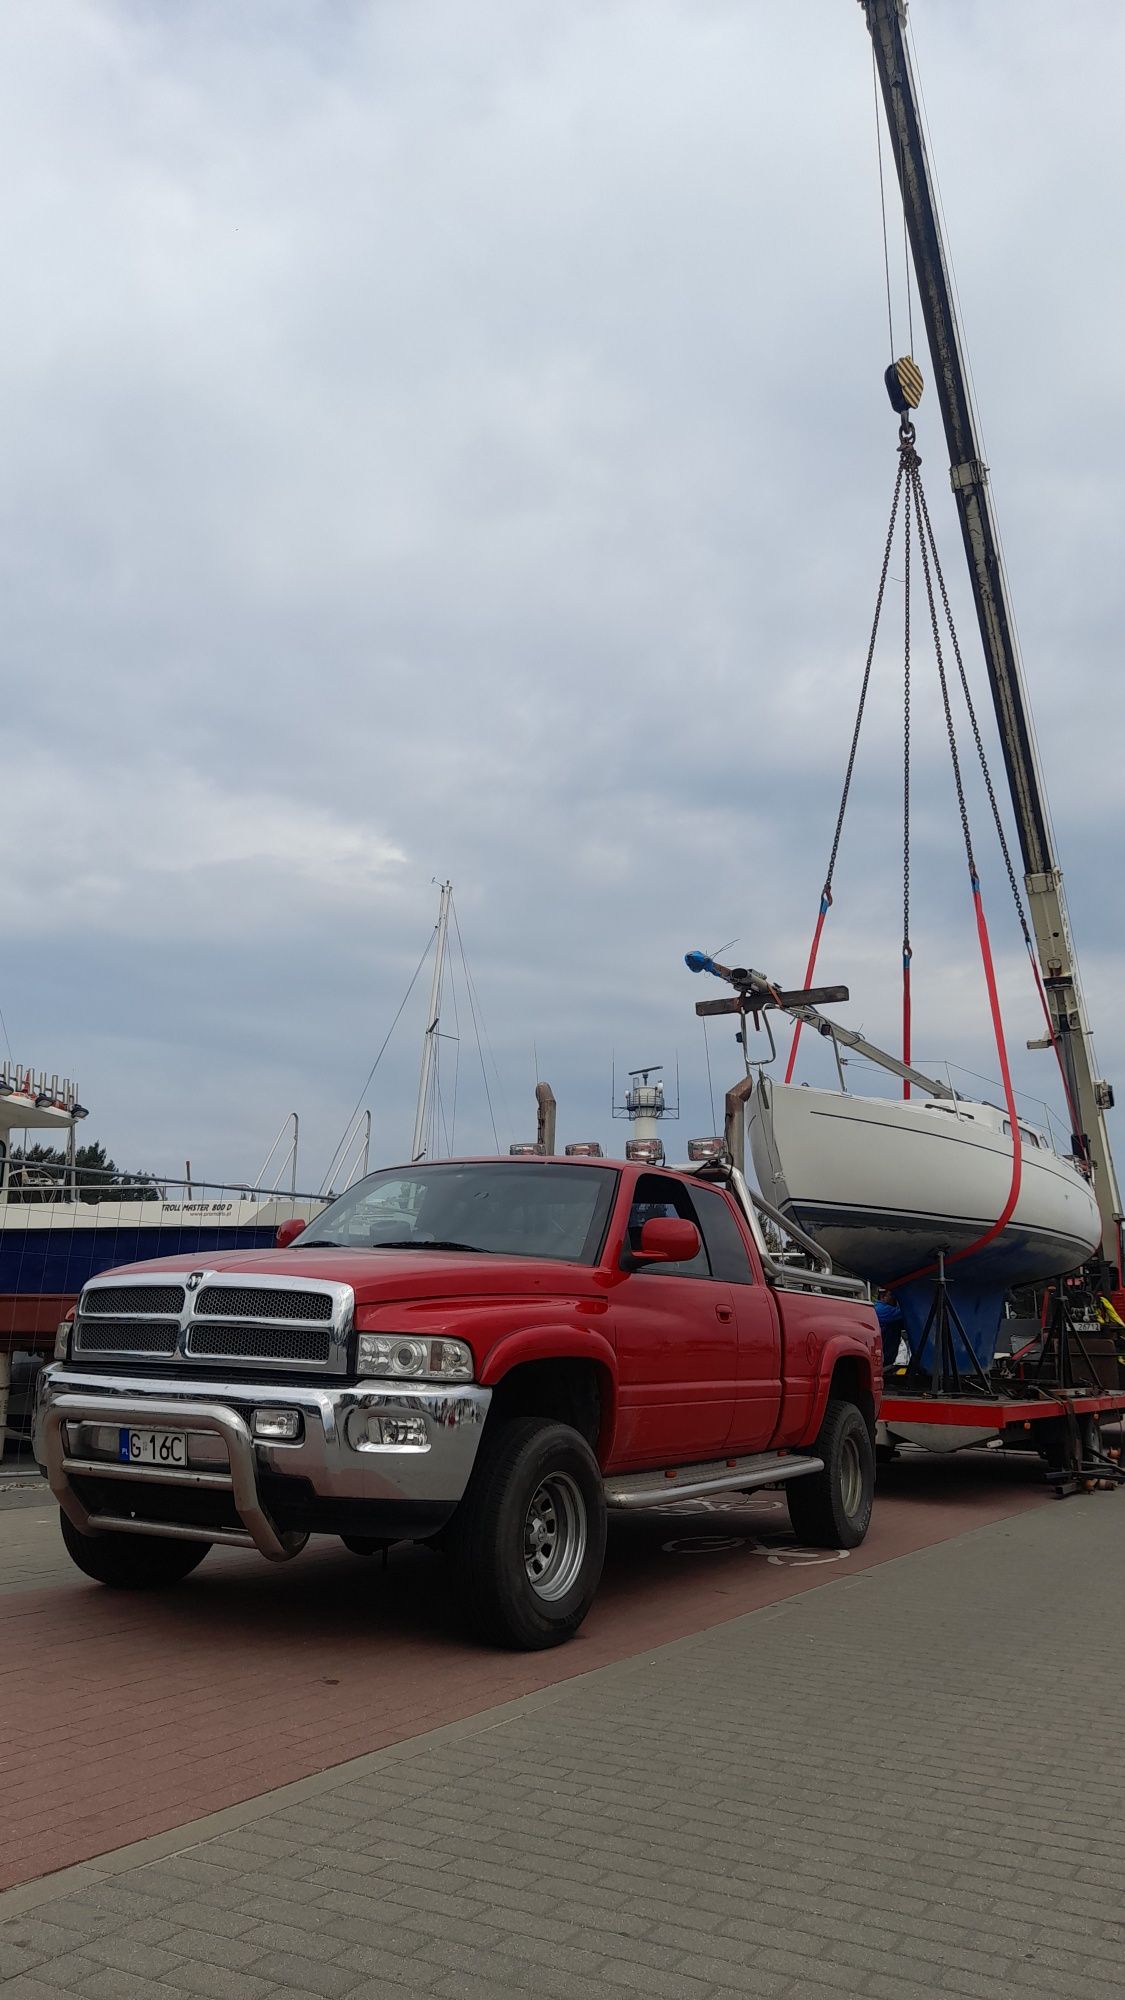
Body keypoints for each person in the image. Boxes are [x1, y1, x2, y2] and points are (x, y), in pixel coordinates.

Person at [874, 1289, 906, 1371]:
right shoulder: (881, 1309)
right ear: (883, 1297)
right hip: (882, 1358)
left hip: (886, 1358)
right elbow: (907, 1312)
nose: (895, 1298)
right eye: (892, 1295)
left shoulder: (892, 1313)